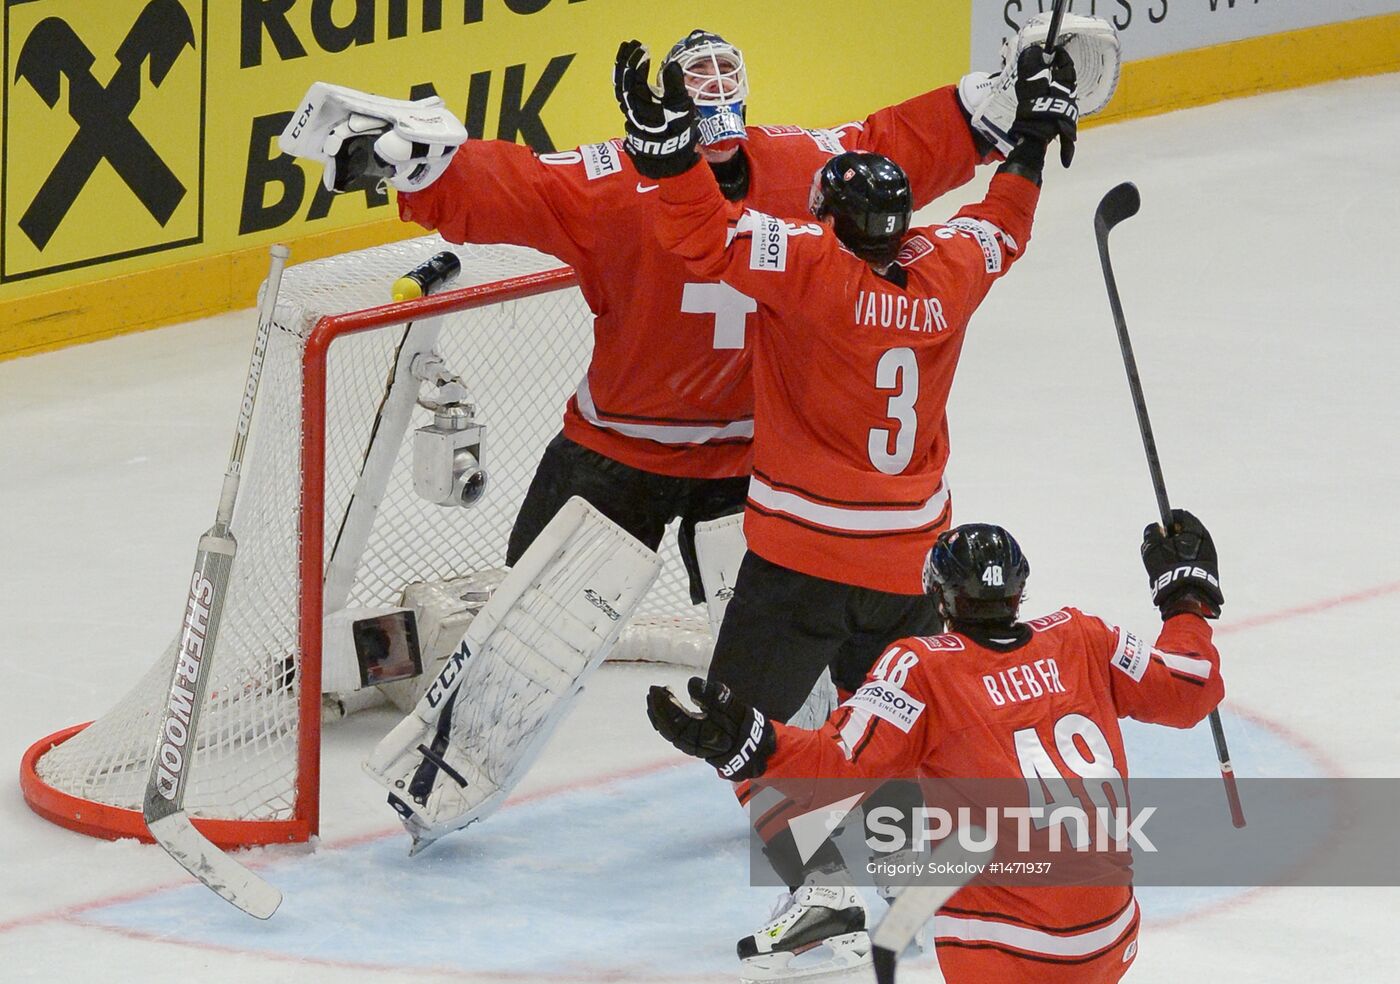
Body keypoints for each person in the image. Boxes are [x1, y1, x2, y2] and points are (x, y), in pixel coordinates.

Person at [282, 27, 1043, 617]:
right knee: (524, 630)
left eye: (725, 73)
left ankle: (811, 764)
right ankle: (807, 772)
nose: (715, 89)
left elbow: (886, 148)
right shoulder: (784, 170)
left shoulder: (654, 177)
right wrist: (998, 116)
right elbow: (890, 150)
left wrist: (995, 108)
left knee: (555, 633)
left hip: (738, 464)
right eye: (699, 77)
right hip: (679, 457)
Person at [615, 37, 1080, 978]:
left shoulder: (810, 270)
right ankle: (944, 874)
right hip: (915, 565)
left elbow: (703, 231)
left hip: (801, 563)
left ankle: (823, 898)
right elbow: (1005, 221)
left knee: (738, 727)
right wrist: (1031, 136)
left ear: (831, 220)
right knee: (911, 729)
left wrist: (664, 151)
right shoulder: (948, 266)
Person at [648, 511, 1227, 983]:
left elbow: (835, 770)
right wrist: (1187, 597)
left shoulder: (920, 666)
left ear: (940, 598)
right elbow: (1189, 688)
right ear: (1020, 590)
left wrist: (751, 744)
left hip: (1005, 946)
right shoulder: (1082, 635)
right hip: (1112, 935)